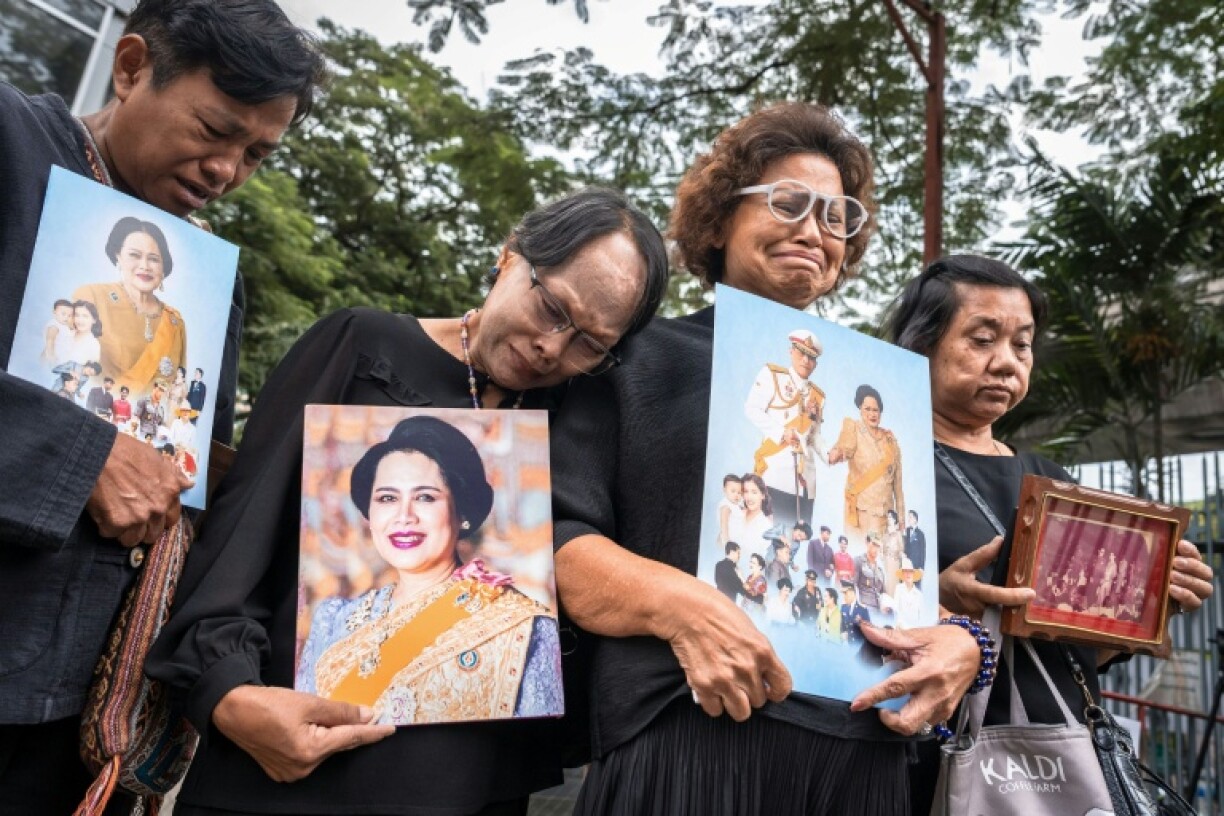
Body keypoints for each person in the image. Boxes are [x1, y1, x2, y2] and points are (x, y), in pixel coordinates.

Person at [145, 187, 669, 815]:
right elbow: (237, 543)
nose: (553, 348)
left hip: (475, 794)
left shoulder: (579, 425)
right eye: (553, 307)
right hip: (283, 775)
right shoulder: (360, 347)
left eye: (590, 343)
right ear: (509, 258)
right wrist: (229, 696)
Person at [549, 103, 983, 815]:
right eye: (788, 203)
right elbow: (554, 540)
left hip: (861, 750)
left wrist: (961, 641)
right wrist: (680, 608)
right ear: (719, 221)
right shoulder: (634, 357)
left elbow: (892, 570)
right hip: (688, 730)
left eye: (837, 217)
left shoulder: (880, 394)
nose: (815, 231)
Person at [0, 2, 327, 809]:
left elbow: (183, 487)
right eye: (215, 129)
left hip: (83, 716)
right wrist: (84, 454)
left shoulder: (207, 282)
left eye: (257, 153)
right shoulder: (9, 146)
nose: (227, 171)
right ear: (132, 65)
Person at [882, 254, 1216, 814]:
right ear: (922, 346)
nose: (1006, 362)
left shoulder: (1054, 483)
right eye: (982, 339)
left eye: (1022, 345)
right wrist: (937, 599)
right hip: (928, 756)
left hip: (1063, 756)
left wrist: (1153, 600)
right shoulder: (891, 462)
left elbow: (1080, 650)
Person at [295, 417, 561, 724]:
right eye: (387, 498)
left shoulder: (525, 628)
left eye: (425, 497)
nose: (403, 516)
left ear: (461, 511)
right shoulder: (331, 621)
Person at [72, 217, 186, 396]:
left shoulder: (174, 321)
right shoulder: (91, 297)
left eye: (154, 259)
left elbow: (177, 389)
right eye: (134, 255)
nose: (145, 266)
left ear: (163, 267)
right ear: (118, 257)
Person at [744, 328, 826, 528]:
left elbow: (814, 437)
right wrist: (782, 433)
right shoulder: (773, 376)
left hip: (805, 480)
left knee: (798, 538)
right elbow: (752, 409)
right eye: (801, 353)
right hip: (775, 473)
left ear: (816, 363)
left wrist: (830, 454)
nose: (806, 361)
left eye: (812, 357)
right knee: (769, 535)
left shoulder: (818, 396)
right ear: (791, 351)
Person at [827, 384, 905, 545]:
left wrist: (901, 517)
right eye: (867, 409)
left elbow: (898, 485)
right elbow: (845, 446)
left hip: (886, 516)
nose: (872, 414)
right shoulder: (853, 429)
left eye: (875, 410)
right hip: (860, 514)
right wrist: (837, 453)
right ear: (860, 410)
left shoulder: (890, 440)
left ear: (880, 412)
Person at [726, 472, 774, 558]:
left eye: (754, 492)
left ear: (762, 495)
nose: (749, 497)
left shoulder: (766, 526)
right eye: (746, 491)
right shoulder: (734, 514)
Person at [852, 533, 886, 610]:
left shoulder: (880, 570)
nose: (876, 549)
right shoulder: (858, 561)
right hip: (864, 607)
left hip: (878, 609)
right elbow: (852, 586)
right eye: (874, 544)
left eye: (878, 546)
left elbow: (883, 593)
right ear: (867, 543)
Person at [890, 559, 924, 631]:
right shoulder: (899, 589)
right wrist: (898, 624)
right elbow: (896, 609)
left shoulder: (919, 594)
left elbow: (921, 615)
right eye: (905, 572)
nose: (908, 574)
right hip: (900, 627)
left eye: (910, 572)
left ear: (913, 574)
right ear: (903, 574)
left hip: (914, 629)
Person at [40, 299, 75, 366]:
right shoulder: (54, 325)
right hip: (52, 354)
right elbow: (50, 340)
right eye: (63, 314)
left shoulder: (64, 325)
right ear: (54, 312)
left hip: (61, 356)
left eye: (69, 315)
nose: (66, 317)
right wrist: (51, 356)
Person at [880, 509, 904, 597]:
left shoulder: (898, 534)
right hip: (886, 561)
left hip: (894, 561)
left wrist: (900, 555)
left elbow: (901, 548)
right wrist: (881, 554)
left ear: (894, 519)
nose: (888, 519)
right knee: (887, 581)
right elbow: (881, 546)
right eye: (888, 517)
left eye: (890, 517)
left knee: (894, 581)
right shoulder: (885, 533)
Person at [716, 473, 744, 546]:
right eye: (733, 491)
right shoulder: (726, 506)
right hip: (729, 540)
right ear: (724, 490)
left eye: (739, 493)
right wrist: (726, 543)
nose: (736, 495)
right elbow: (724, 526)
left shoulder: (735, 504)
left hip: (737, 539)